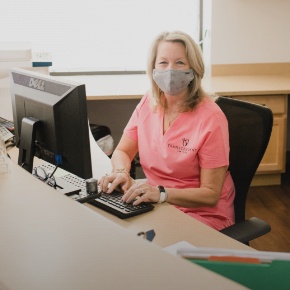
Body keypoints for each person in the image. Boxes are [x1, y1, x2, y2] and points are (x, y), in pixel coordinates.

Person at [99, 31, 235, 231]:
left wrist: (161, 193)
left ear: (193, 69)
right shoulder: (149, 102)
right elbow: (123, 151)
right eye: (163, 62)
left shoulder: (211, 118)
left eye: (180, 62)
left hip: (202, 213)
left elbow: (210, 193)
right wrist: (121, 172)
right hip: (156, 203)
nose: (170, 70)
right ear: (153, 68)